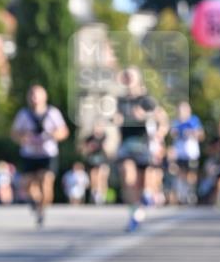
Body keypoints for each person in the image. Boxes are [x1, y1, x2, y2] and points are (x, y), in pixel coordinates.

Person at [114, 67, 166, 231]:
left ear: (138, 80)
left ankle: (144, 203)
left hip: (144, 145)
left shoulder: (146, 99)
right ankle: (134, 214)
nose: (128, 79)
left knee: (144, 185)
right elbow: (116, 119)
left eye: (131, 76)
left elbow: (163, 120)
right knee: (127, 177)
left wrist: (158, 133)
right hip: (127, 145)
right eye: (125, 76)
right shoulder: (120, 100)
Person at [11, 84, 69, 226]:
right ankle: (36, 203)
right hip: (29, 154)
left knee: (46, 182)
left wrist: (53, 135)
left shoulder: (52, 113)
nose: (34, 98)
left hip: (47, 154)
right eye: (32, 95)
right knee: (27, 186)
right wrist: (23, 138)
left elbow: (64, 131)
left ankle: (42, 210)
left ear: (44, 97)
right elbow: (14, 133)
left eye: (37, 95)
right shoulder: (23, 114)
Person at [169, 101, 204, 205]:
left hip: (191, 153)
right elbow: (172, 134)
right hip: (180, 153)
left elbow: (201, 135)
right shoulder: (176, 122)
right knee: (181, 173)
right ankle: (183, 194)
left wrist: (192, 133)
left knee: (191, 173)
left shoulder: (194, 120)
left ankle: (191, 192)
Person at [79, 121, 110, 205]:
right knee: (93, 176)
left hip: (103, 160)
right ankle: (95, 193)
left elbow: (109, 150)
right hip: (92, 160)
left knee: (102, 176)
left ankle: (102, 195)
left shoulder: (105, 137)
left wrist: (105, 147)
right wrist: (89, 148)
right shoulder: (89, 138)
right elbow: (83, 150)